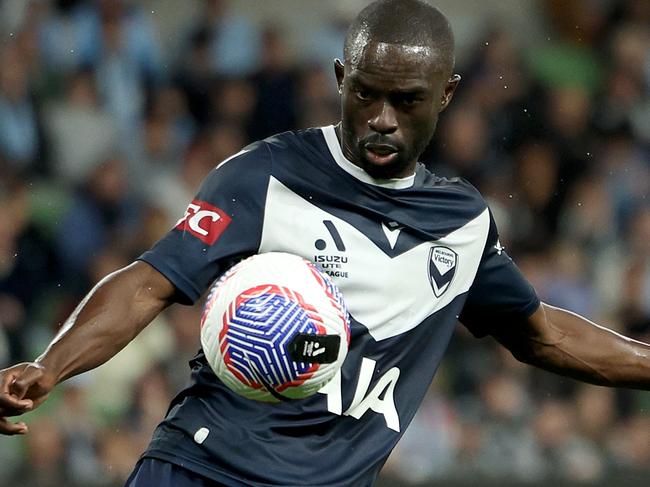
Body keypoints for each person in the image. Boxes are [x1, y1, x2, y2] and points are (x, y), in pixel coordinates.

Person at [1, 1, 649, 486]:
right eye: (366, 93)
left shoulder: (463, 224)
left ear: (447, 94)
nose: (383, 117)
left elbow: (543, 334)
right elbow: (149, 280)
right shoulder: (266, 174)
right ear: (342, 77)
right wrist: (49, 365)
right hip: (201, 465)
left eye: (407, 99)